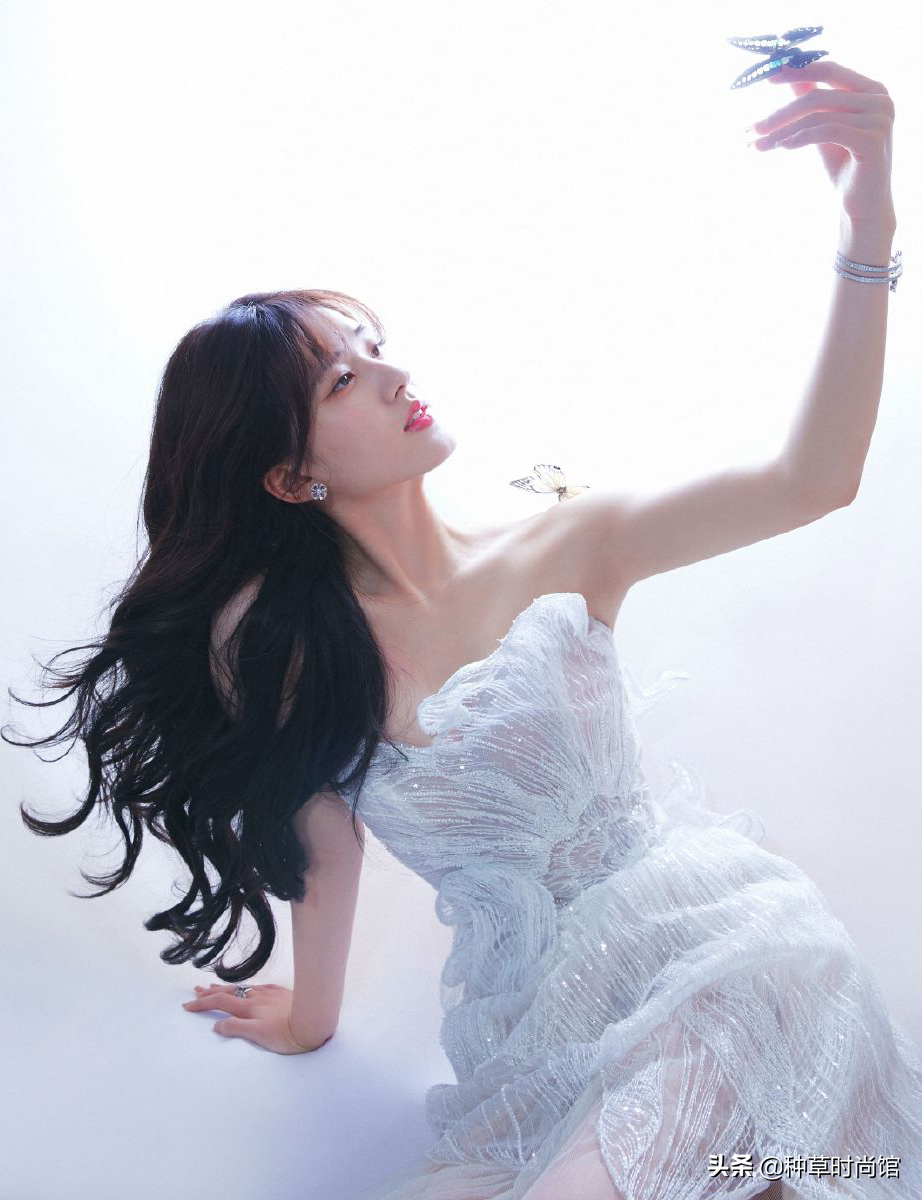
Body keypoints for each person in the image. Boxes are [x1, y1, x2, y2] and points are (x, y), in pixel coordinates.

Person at [6, 57, 919, 1200]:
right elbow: (324, 844)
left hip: (722, 964)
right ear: (287, 476)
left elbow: (811, 479)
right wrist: (310, 1020)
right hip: (541, 1031)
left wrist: (869, 224)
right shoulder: (292, 651)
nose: (393, 375)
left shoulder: (566, 545)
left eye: (373, 345)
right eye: (342, 380)